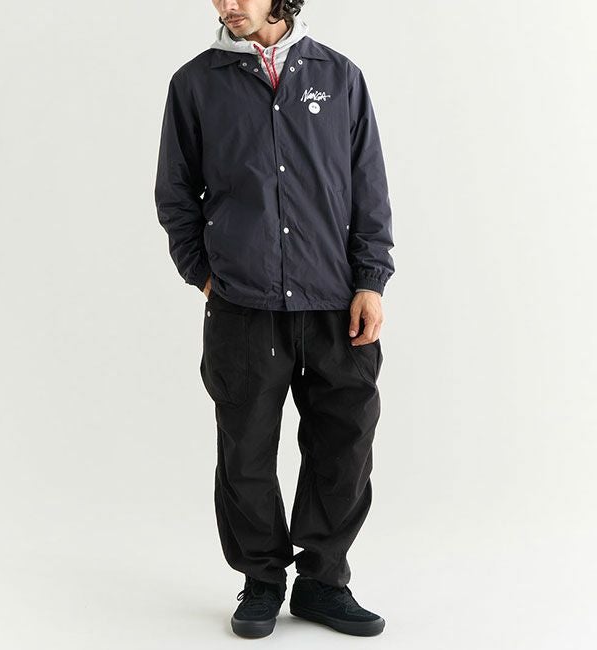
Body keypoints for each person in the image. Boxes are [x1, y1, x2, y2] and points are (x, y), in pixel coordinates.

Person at [154, 0, 394, 638]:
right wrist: (203, 273)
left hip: (335, 302)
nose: (227, 5)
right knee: (246, 452)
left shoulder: (339, 76)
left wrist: (370, 280)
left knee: (345, 445)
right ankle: (261, 580)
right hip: (243, 306)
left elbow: (368, 185)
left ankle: (322, 581)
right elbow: (175, 192)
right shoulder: (195, 83)